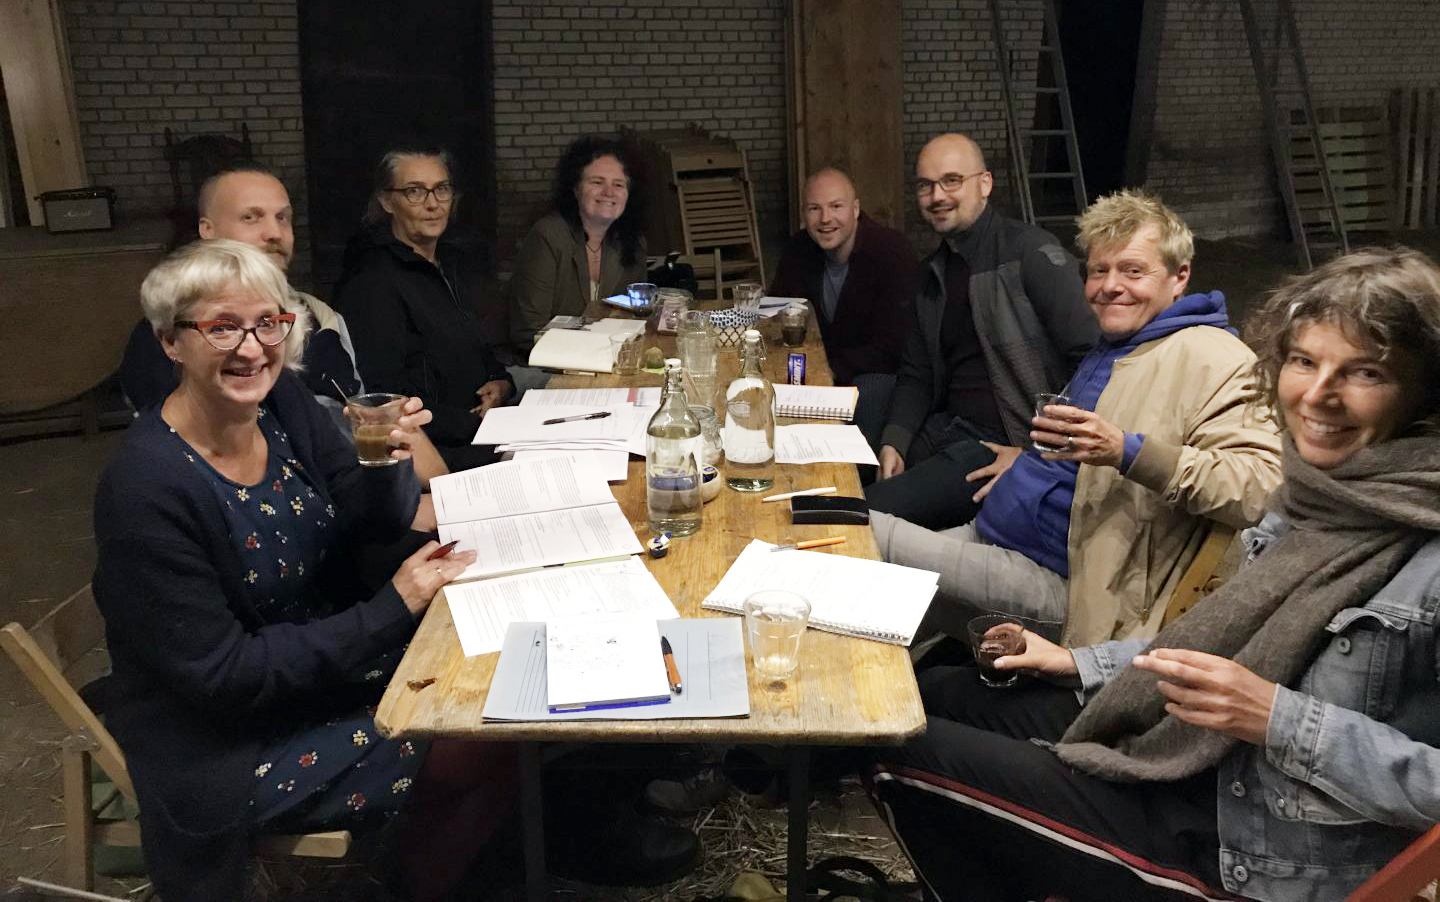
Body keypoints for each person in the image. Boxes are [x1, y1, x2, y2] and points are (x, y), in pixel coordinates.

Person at [869, 246, 1440, 902]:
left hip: (1245, 848)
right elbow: (1213, 649)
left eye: (1365, 372)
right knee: (936, 693)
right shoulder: (1318, 496)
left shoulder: (1418, 545)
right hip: (1187, 753)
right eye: (1305, 361)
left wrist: (1279, 719)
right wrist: (1076, 662)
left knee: (900, 746)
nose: (1317, 395)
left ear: (1423, 391)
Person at [92, 239, 511, 901]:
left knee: (492, 670)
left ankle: (460, 858)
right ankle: (417, 880)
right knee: (472, 734)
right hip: (226, 740)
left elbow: (369, 517)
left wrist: (385, 457)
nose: (252, 348)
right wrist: (392, 607)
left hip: (322, 668)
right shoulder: (148, 487)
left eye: (268, 323)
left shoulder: (281, 404)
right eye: (222, 327)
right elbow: (223, 676)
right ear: (170, 341)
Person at [874, 190, 1282, 646]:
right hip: (989, 534)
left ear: (1179, 276)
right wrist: (1024, 456)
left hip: (1063, 584)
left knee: (858, 532)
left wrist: (1125, 451)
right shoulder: (1119, 344)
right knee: (869, 602)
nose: (1110, 286)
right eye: (1098, 270)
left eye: (1133, 270)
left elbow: (1259, 488)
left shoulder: (1216, 358)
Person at [115, 163, 450, 485]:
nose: (274, 233)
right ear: (208, 230)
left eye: (282, 217)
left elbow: (371, 417)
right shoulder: (173, 336)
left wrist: (425, 479)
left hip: (365, 484)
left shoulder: (320, 316)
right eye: (251, 217)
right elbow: (191, 465)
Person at [866, 133, 1099, 529]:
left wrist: (1034, 456)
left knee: (867, 511)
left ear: (985, 184)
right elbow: (917, 373)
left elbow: (1092, 365)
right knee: (853, 447)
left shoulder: (1030, 254)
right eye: (925, 185)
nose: (937, 196)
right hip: (948, 426)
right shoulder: (931, 273)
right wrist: (895, 440)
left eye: (951, 181)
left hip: (1000, 444)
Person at [334, 147, 513, 472]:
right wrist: (482, 426)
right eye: (414, 191)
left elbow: (478, 345)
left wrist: (502, 383)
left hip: (486, 429)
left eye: (441, 189)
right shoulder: (372, 282)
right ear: (387, 201)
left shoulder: (452, 263)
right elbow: (387, 399)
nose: (433, 204)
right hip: (441, 452)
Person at [769, 167, 917, 448]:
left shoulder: (892, 252)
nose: (825, 219)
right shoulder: (799, 248)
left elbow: (894, 347)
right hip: (819, 376)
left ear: (856, 209)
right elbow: (775, 310)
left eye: (836, 206)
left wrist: (827, 371)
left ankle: (860, 472)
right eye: (814, 208)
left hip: (874, 379)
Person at [509, 135, 648, 351]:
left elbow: (633, 318)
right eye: (597, 182)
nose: (609, 192)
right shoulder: (548, 236)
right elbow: (528, 331)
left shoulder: (631, 242)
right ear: (575, 188)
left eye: (618, 184)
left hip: (606, 355)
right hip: (544, 360)